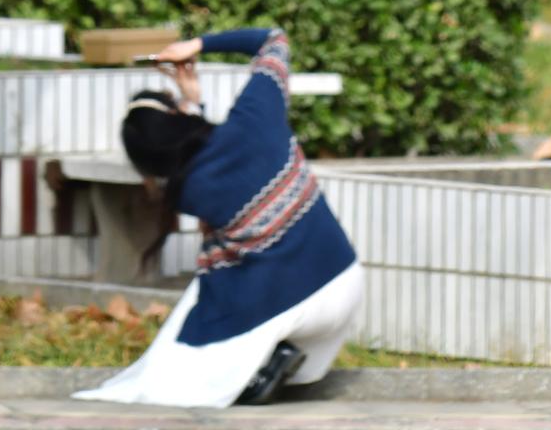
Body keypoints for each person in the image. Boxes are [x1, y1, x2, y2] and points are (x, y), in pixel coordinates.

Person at [74, 25, 363, 408]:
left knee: (208, 284)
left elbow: (194, 157)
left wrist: (191, 107)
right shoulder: (255, 119)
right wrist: (196, 46)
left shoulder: (187, 194)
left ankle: (255, 369)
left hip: (290, 306)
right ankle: (264, 361)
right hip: (343, 283)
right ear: (178, 118)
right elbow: (273, 39)